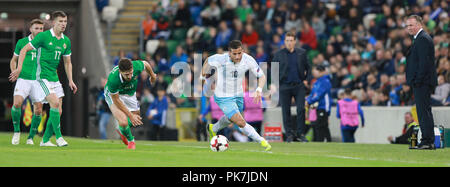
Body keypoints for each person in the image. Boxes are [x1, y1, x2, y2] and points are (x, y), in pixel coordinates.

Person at [10, 11, 78, 147]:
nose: (63, 24)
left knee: (57, 111)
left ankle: (45, 140)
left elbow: (67, 62)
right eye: (60, 21)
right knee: (53, 103)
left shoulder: (66, 41)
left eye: (65, 22)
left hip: (54, 77)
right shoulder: (43, 37)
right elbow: (23, 50)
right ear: (54, 22)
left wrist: (70, 80)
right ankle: (59, 137)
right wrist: (18, 69)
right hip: (41, 77)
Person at [200, 40, 272, 151]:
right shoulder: (221, 58)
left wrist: (258, 89)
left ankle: (213, 128)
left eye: (240, 53)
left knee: (232, 119)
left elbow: (262, 76)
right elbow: (207, 62)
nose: (238, 56)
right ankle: (262, 141)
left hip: (238, 94)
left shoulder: (248, 60)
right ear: (229, 53)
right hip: (222, 96)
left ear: (242, 50)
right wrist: (203, 77)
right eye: (234, 54)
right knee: (240, 121)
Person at [104, 58, 157, 149]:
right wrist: (130, 115)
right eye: (127, 74)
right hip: (114, 95)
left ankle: (122, 130)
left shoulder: (135, 66)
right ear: (120, 71)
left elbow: (146, 64)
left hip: (130, 93)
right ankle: (131, 141)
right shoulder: (113, 79)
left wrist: (152, 76)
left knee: (137, 118)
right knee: (124, 121)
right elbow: (117, 101)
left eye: (131, 73)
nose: (130, 76)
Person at [9, 19, 44, 145]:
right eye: (36, 28)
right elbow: (13, 60)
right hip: (23, 78)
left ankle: (30, 138)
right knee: (17, 103)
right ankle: (17, 132)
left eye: (41, 29)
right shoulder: (22, 42)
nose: (39, 31)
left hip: (38, 81)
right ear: (31, 29)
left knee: (39, 109)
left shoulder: (45, 44)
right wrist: (15, 73)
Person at [405, 15, 438, 150]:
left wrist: (417, 80)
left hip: (422, 82)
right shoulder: (420, 38)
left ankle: (427, 141)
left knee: (423, 112)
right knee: (423, 111)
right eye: (407, 26)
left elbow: (424, 63)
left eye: (411, 25)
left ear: (419, 24)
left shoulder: (423, 39)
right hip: (421, 82)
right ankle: (427, 140)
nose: (409, 28)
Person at [272, 31, 310, 142]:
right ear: (284, 42)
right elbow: (273, 70)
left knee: (301, 109)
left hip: (299, 85)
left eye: (291, 41)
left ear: (295, 42)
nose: (289, 43)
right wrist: (275, 83)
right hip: (285, 86)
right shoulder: (279, 54)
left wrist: (307, 80)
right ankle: (289, 135)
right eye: (287, 41)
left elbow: (309, 68)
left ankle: (301, 134)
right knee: (286, 111)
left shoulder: (301, 53)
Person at [306, 65, 332, 142]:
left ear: (322, 72)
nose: (313, 73)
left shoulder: (325, 82)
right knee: (323, 126)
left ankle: (321, 141)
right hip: (318, 107)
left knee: (320, 126)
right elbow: (312, 94)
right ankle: (328, 141)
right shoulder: (317, 82)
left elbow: (319, 95)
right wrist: (306, 99)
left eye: (315, 71)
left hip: (324, 107)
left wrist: (308, 101)